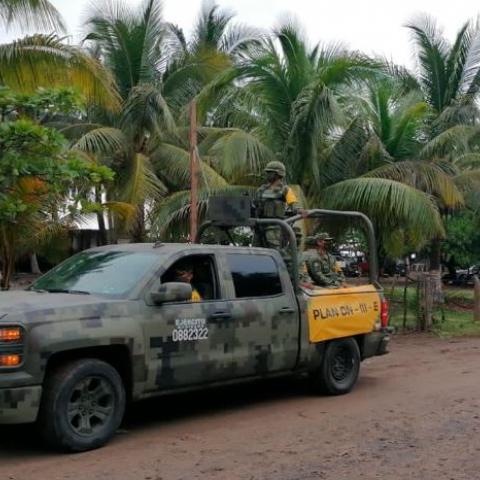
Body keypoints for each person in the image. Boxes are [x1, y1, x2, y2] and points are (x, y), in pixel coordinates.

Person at [254, 161, 300, 250]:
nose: (267, 175)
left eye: (270, 172)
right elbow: (254, 204)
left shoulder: (285, 189)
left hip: (274, 226)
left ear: (278, 174)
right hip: (259, 225)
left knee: (274, 250)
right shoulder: (261, 189)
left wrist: (298, 210)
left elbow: (293, 203)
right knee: (255, 250)